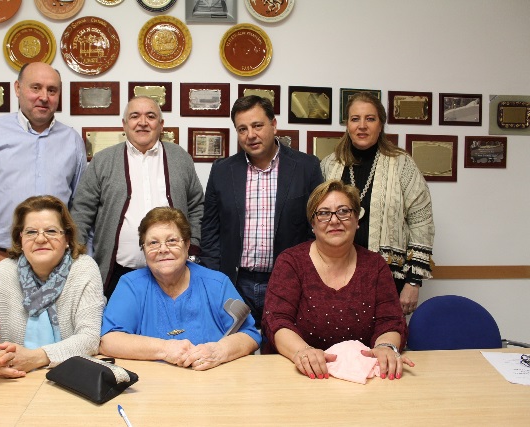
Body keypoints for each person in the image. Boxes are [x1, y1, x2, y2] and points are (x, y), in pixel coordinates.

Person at [262, 180, 413, 381]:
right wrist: (303, 352)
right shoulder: (291, 262)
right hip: (300, 375)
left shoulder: (375, 265)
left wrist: (385, 347)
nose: (334, 220)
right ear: (313, 224)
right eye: (324, 213)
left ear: (357, 219)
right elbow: (276, 321)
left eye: (343, 211)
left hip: (362, 377)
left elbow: (391, 321)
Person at [0, 62, 86, 283]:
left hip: (57, 263)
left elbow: (80, 205)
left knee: (59, 320)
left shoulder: (72, 141)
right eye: (36, 87)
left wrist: (77, 253)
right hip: (1, 259)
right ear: (17, 89)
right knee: (3, 320)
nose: (44, 96)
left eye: (52, 90)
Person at [201, 95, 323, 327]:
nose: (251, 135)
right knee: (234, 352)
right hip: (235, 282)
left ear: (273, 125)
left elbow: (315, 228)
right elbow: (210, 231)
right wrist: (215, 279)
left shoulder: (307, 167)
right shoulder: (222, 171)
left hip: (287, 281)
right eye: (242, 129)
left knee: (281, 350)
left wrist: (307, 275)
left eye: (257, 125)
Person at [0, 196, 105, 379]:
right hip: (14, 379)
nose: (40, 239)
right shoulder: (2, 272)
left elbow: (89, 339)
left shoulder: (84, 269)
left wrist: (35, 358)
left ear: (67, 238)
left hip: (72, 377)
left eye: (51, 231)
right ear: (20, 239)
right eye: (31, 232)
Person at [70, 96, 204, 299]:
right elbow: (81, 212)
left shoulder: (180, 158)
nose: (142, 122)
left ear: (161, 125)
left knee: (171, 328)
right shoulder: (102, 160)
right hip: (118, 272)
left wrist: (192, 246)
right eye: (135, 116)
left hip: (174, 270)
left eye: (150, 116)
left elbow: (196, 206)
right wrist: (77, 259)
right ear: (124, 124)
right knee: (118, 329)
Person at [100, 207, 260, 371]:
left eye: (172, 241)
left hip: (213, 383)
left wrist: (217, 352)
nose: (163, 249)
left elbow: (250, 335)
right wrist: (165, 349)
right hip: (151, 387)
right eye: (153, 243)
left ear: (187, 244)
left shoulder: (217, 284)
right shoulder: (131, 286)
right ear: (144, 249)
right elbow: (108, 341)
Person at [321, 92, 434, 315]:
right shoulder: (329, 166)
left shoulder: (402, 165)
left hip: (389, 280)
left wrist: (413, 282)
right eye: (355, 119)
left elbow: (422, 221)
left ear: (381, 124)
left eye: (370, 119)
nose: (362, 126)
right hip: (335, 276)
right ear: (347, 124)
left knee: (384, 343)